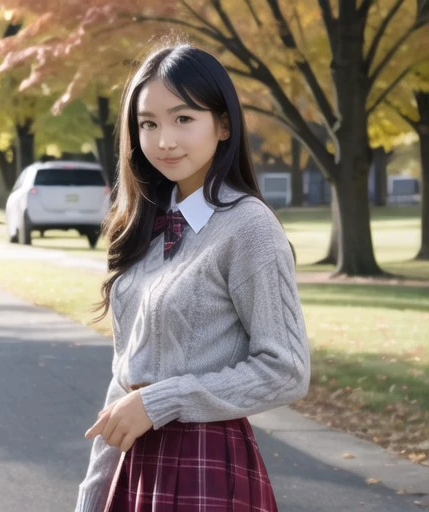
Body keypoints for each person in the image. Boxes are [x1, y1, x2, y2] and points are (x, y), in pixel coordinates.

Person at [75, 43, 310, 512]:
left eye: (183, 119)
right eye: (148, 123)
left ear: (223, 125)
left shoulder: (248, 227)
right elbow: (126, 383)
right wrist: (91, 497)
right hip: (136, 469)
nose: (164, 140)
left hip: (206, 465)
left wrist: (163, 401)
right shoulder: (144, 228)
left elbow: (287, 370)